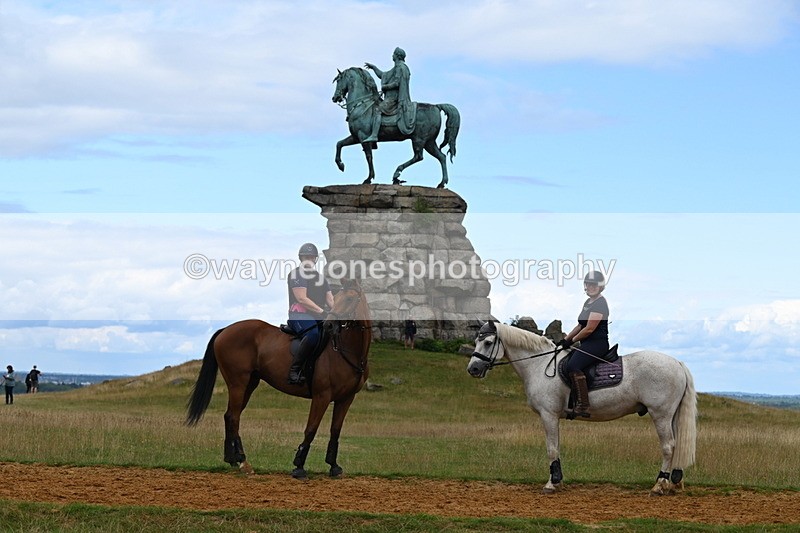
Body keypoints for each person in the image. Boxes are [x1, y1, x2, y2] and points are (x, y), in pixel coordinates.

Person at [557, 271, 610, 417]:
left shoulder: (600, 303)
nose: (591, 287)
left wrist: (573, 341)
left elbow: (590, 329)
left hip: (598, 344)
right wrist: (566, 339)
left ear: (600, 287)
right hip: (587, 343)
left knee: (573, 365)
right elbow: (580, 325)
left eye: (594, 285)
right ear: (585, 285)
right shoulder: (588, 303)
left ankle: (583, 405)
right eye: (589, 284)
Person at [287, 243, 334, 385]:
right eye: (306, 256)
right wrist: (322, 311)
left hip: (318, 316)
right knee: (313, 335)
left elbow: (330, 300)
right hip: (299, 316)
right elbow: (302, 298)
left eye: (312, 257)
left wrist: (338, 313)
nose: (309, 259)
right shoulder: (296, 275)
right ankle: (294, 371)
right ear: (301, 258)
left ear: (315, 259)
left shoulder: (321, 278)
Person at [364, 46, 416, 141]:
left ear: (397, 56)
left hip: (394, 99)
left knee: (377, 110)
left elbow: (397, 83)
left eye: (393, 54)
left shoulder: (400, 67)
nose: (392, 55)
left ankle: (374, 135)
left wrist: (385, 87)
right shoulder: (397, 67)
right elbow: (383, 75)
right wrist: (374, 68)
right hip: (391, 98)